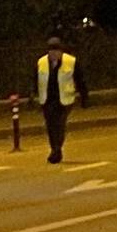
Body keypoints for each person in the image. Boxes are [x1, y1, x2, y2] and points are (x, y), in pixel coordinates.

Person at [35, 36, 89, 164]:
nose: (54, 54)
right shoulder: (41, 62)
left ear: (61, 52)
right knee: (50, 126)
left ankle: (56, 150)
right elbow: (35, 80)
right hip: (47, 99)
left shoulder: (71, 62)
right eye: (51, 51)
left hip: (65, 99)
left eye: (57, 51)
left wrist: (84, 97)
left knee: (59, 125)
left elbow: (80, 80)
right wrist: (32, 96)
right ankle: (55, 148)